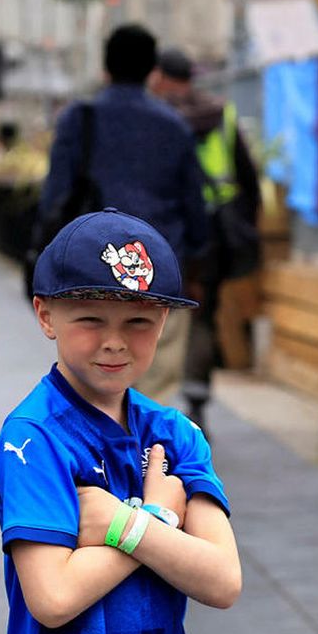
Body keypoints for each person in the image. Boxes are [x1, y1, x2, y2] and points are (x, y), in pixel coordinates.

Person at [0, 208, 242, 634]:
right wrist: (159, 520)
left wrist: (127, 523)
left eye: (138, 321)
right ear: (45, 314)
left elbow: (223, 579)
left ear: (164, 323)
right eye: (89, 320)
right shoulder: (33, 439)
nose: (114, 340)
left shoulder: (175, 434)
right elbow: (52, 599)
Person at [32, 24, 210, 402]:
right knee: (157, 386)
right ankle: (149, 458)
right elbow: (194, 205)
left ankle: (95, 455)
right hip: (160, 270)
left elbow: (55, 197)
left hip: (90, 271)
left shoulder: (79, 119)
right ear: (152, 70)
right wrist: (196, 263)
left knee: (91, 380)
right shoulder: (174, 127)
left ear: (106, 65)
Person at [150, 48, 263, 436]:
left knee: (154, 314)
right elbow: (248, 176)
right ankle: (196, 402)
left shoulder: (158, 117)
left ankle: (150, 408)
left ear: (161, 77)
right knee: (202, 314)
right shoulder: (222, 113)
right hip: (214, 229)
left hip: (167, 229)